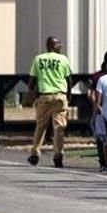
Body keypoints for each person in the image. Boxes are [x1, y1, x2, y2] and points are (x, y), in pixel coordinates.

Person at [27, 36, 72, 167]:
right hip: (59, 96)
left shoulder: (38, 59)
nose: (61, 46)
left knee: (41, 126)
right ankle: (58, 155)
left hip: (44, 96)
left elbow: (32, 81)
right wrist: (68, 95)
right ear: (53, 45)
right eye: (59, 44)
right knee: (59, 127)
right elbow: (69, 79)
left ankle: (35, 152)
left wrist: (33, 95)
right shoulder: (63, 59)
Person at [90, 51, 107, 171]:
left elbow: (91, 95)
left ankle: (104, 163)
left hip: (101, 111)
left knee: (101, 138)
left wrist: (97, 107)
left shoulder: (97, 76)